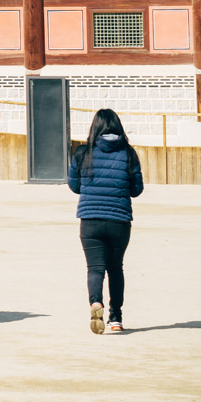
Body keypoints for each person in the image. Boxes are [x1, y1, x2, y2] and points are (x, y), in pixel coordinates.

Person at [68, 107, 143, 335]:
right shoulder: (129, 154)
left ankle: (95, 303)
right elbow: (136, 189)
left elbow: (74, 186)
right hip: (119, 220)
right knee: (115, 268)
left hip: (90, 220)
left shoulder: (83, 153)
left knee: (94, 268)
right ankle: (116, 317)